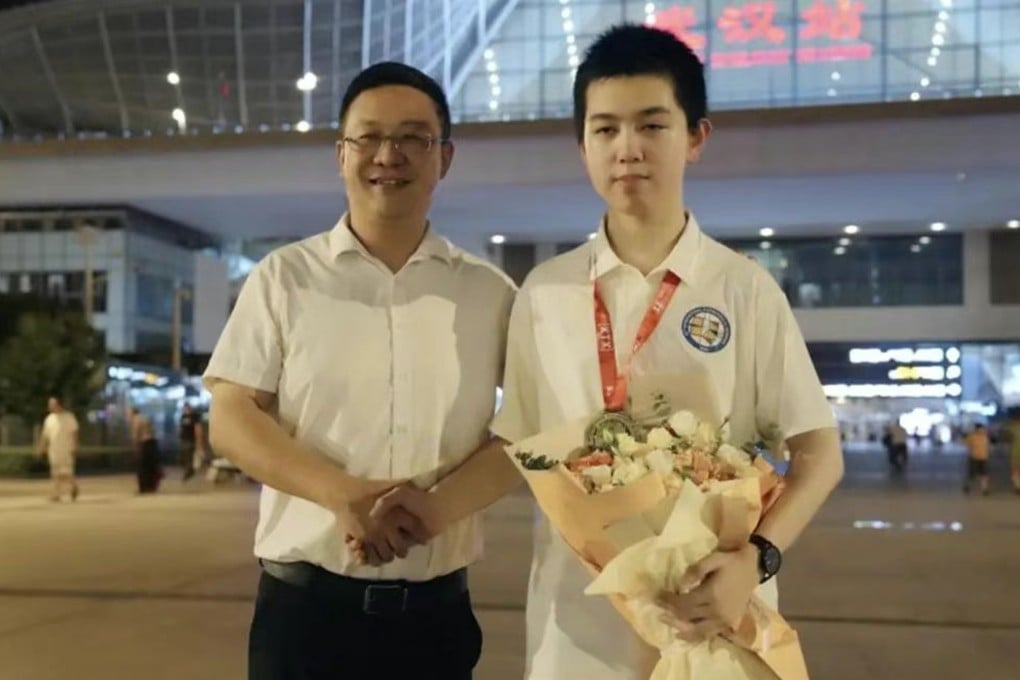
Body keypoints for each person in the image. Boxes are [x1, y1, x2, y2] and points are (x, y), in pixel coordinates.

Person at [377, 24, 845, 678]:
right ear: (583, 146)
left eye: (652, 126)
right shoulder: (547, 291)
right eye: (605, 129)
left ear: (696, 138)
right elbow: (519, 446)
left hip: (716, 611)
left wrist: (756, 559)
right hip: (580, 624)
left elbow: (820, 453)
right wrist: (425, 512)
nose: (628, 148)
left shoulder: (744, 288)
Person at [203, 61, 516, 680]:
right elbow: (233, 416)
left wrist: (437, 509)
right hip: (303, 619)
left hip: (436, 622)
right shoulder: (285, 278)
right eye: (368, 137)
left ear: (444, 158)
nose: (388, 155)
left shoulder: (490, 293)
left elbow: (531, 427)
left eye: (412, 139)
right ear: (340, 154)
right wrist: (343, 497)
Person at [36, 396, 80, 502]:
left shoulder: (69, 417)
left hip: (66, 448)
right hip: (53, 449)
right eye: (50, 404)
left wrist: (74, 446)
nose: (50, 406)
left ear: (59, 405)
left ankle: (73, 486)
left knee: (66, 472)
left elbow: (75, 433)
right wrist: (41, 447)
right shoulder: (49, 419)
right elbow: (45, 435)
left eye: (53, 404)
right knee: (55, 472)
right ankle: (56, 494)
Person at [130, 407, 162, 493]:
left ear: (132, 413)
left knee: (142, 467)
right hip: (152, 443)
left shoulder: (136, 420)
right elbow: (153, 430)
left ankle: (143, 487)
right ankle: (151, 486)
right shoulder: (145, 418)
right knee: (151, 466)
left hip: (144, 443)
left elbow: (136, 434)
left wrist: (136, 447)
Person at [178, 403, 205, 482]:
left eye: (186, 408)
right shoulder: (183, 417)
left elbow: (198, 429)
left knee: (190, 457)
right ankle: (189, 471)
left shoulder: (194, 417)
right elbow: (181, 428)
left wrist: (199, 442)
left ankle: (190, 471)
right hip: (184, 440)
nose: (184, 410)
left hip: (191, 440)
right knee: (184, 457)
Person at [963, 423, 991, 496]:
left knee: (984, 474)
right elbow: (967, 444)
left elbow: (988, 446)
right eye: (980, 429)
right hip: (974, 457)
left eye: (982, 429)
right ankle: (967, 486)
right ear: (976, 429)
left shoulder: (985, 436)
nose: (981, 430)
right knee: (972, 474)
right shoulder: (972, 436)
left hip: (983, 457)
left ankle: (984, 489)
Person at [1006, 410, 1020, 495]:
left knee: (1015, 471)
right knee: (1015, 471)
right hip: (1015, 453)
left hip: (1015, 453)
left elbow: (1007, 438)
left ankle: (1017, 487)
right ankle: (1017, 487)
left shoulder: (1012, 428)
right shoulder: (1012, 428)